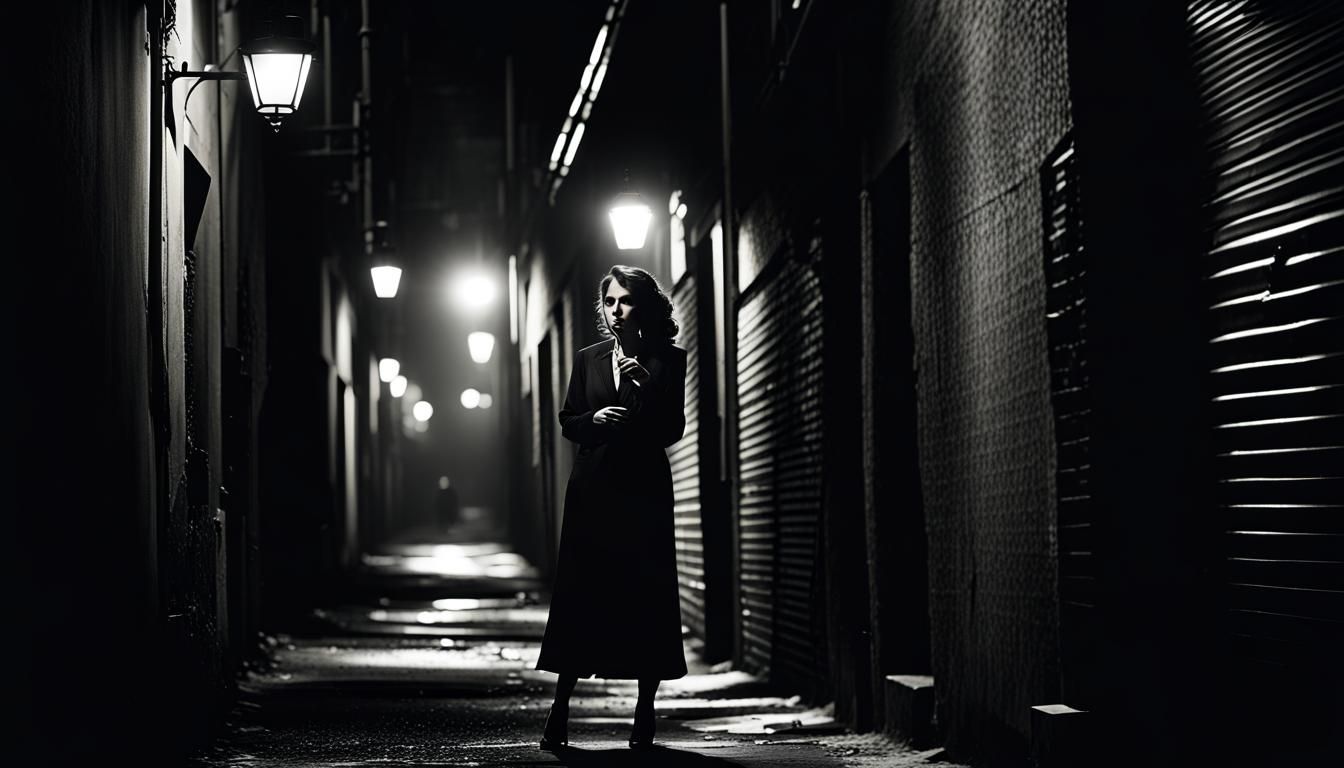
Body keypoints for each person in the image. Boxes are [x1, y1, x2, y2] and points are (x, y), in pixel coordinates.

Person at [536, 265, 688, 750]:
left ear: (643, 306)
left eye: (625, 301)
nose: (617, 310)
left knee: (646, 596)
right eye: (610, 302)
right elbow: (567, 420)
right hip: (593, 491)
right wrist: (594, 418)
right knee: (582, 597)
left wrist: (645, 386)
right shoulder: (589, 358)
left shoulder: (669, 360)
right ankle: (559, 711)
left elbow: (671, 430)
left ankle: (645, 712)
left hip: (642, 491)